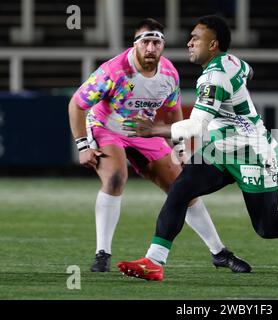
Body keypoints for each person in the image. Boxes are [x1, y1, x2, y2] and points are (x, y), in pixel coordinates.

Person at [117, 15, 278, 281]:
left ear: (213, 45)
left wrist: (152, 130)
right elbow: (248, 71)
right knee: (180, 189)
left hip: (252, 152)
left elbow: (196, 128)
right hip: (222, 147)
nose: (189, 43)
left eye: (195, 38)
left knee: (268, 227)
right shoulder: (232, 61)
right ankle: (154, 261)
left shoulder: (214, 78)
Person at [68, 18, 251, 273]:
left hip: (143, 131)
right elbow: (76, 104)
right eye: (146, 42)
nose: (151, 48)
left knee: (183, 187)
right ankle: (102, 253)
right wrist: (82, 145)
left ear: (163, 45)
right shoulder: (114, 71)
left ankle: (219, 252)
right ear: (135, 45)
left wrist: (179, 149)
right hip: (106, 128)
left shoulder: (168, 74)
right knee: (116, 177)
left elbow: (173, 112)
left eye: (156, 42)